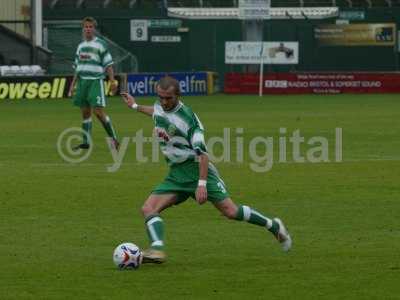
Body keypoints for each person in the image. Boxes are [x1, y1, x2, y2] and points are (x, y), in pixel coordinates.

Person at [121, 76, 292, 263]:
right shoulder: (160, 106)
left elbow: (203, 154)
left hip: (197, 170)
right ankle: (157, 250)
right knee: (148, 208)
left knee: (231, 211)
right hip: (176, 174)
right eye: (160, 97)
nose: (163, 101)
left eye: (168, 98)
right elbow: (155, 112)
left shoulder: (189, 120)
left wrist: (201, 185)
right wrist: (135, 106)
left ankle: (274, 226)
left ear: (178, 95)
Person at [68, 16, 119, 150]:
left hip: (95, 81)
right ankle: (86, 142)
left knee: (98, 112)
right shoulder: (80, 46)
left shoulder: (101, 44)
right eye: (86, 27)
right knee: (85, 113)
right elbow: (77, 68)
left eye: (91, 27)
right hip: (82, 82)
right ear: (83, 29)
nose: (88, 29)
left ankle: (114, 139)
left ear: (94, 29)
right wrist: (73, 85)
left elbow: (108, 65)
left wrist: (112, 81)